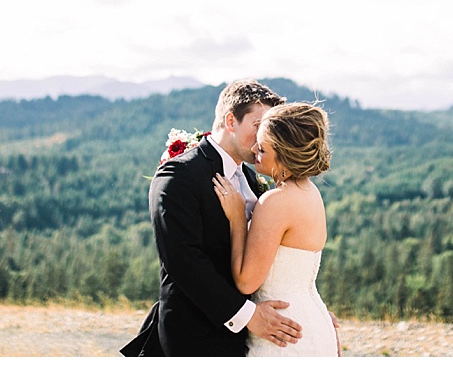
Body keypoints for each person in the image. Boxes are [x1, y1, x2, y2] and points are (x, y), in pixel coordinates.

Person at [121, 80, 304, 357]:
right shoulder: (179, 175)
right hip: (195, 338)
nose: (265, 138)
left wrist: (303, 304)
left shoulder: (253, 179)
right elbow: (184, 261)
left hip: (253, 338)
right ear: (231, 121)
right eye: (258, 126)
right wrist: (248, 316)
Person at [212, 102, 339, 357]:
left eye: (264, 146)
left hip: (282, 333)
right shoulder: (310, 193)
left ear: (282, 154)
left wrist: (237, 219)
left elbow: (246, 281)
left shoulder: (276, 202)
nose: (255, 149)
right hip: (312, 322)